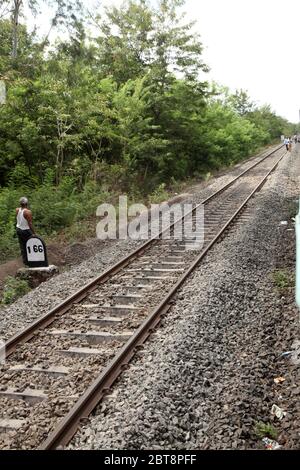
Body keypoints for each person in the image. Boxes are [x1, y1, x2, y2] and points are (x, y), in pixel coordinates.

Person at [16, 197, 35, 266]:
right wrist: (33, 233)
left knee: (22, 246)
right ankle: (33, 260)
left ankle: (25, 262)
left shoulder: (17, 210)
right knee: (31, 244)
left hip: (18, 229)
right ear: (27, 203)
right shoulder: (28, 212)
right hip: (25, 230)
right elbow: (30, 223)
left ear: (20, 203)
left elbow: (18, 219)